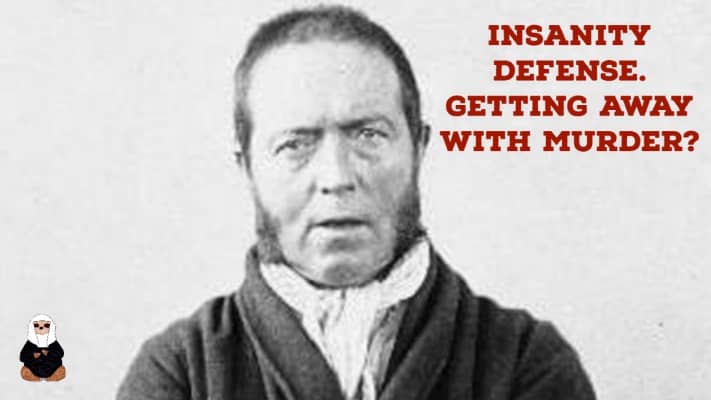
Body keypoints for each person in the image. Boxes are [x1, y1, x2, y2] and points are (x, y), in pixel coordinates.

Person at [117, 5, 596, 400]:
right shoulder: (181, 371)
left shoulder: (525, 361)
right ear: (247, 168)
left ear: (419, 148)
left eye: (368, 135)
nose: (337, 178)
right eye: (294, 144)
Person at [20, 314, 66, 382]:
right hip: (34, 369)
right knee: (25, 371)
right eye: (36, 325)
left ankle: (51, 378)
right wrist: (33, 355)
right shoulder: (30, 343)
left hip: (52, 368)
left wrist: (49, 353)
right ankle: (36, 378)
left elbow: (60, 353)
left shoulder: (52, 342)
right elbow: (22, 357)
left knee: (61, 371)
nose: (41, 327)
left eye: (46, 325)